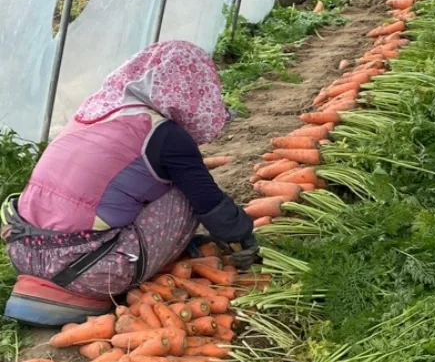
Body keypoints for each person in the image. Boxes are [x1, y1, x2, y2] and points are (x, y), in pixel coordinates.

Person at [1, 41, 258, 325]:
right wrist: (242, 236)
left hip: (24, 252)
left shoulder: (92, 113)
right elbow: (209, 204)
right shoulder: (164, 134)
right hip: (89, 270)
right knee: (187, 192)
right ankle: (100, 279)